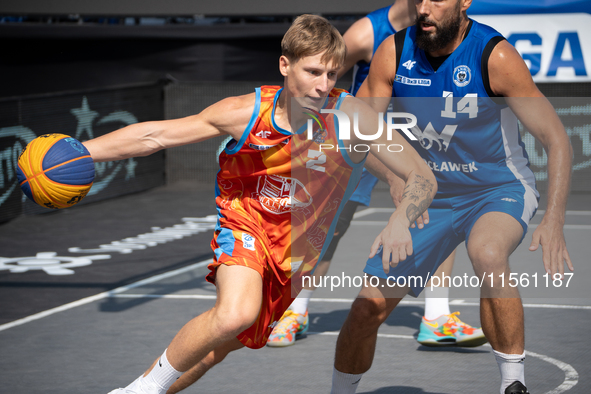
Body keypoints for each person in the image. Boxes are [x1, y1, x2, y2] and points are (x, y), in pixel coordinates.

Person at [81, 15, 436, 394]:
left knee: (218, 345)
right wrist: (78, 153)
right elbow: (155, 136)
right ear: (285, 65)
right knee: (235, 313)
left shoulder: (351, 116)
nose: (322, 86)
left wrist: (402, 215)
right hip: (245, 223)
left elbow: (423, 176)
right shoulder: (245, 112)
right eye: (313, 72)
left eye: (331, 75)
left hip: (296, 255)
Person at [331, 0, 573, 393]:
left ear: (464, 2)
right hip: (429, 193)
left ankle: (514, 384)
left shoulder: (494, 56)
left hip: (496, 188)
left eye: (437, 0)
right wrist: (396, 176)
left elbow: (556, 138)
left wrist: (554, 218)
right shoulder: (392, 52)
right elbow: (360, 135)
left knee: (488, 252)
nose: (424, 9)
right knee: (366, 309)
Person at [267, 0, 485, 349]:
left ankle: (438, 316)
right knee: (331, 226)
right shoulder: (368, 32)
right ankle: (293, 310)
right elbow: (314, 74)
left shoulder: (444, 26)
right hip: (360, 140)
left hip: (416, 137)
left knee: (441, 211)